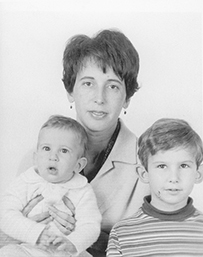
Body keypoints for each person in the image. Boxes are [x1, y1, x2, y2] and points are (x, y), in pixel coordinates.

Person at [0, 29, 150, 257]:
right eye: (88, 83)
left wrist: (83, 237)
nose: (99, 98)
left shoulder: (149, 163)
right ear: (70, 91)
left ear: (127, 97)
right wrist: (26, 231)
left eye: (112, 86)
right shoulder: (36, 157)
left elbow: (155, 245)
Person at [0, 115, 101, 257]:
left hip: (66, 251)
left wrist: (73, 243)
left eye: (64, 151)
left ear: (78, 165)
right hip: (28, 249)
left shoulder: (82, 190)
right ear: (35, 158)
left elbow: (91, 225)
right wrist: (35, 233)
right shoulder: (25, 182)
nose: (53, 156)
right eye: (47, 148)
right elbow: (5, 215)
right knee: (6, 252)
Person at [107, 118, 203, 257]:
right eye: (162, 166)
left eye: (184, 166)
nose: (173, 178)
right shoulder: (122, 233)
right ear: (144, 174)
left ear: (198, 174)